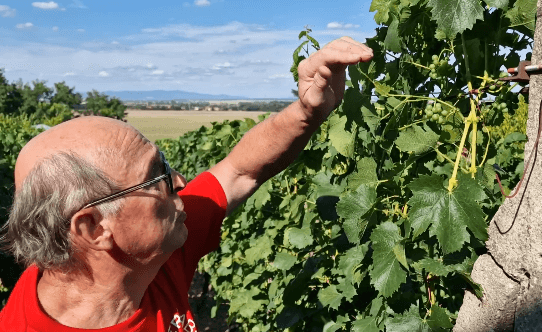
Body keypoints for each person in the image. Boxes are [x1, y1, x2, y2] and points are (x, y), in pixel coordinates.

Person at [0, 37, 373, 331]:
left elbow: (239, 171)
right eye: (155, 175)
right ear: (94, 227)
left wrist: (308, 112)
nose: (178, 181)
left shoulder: (153, 250)